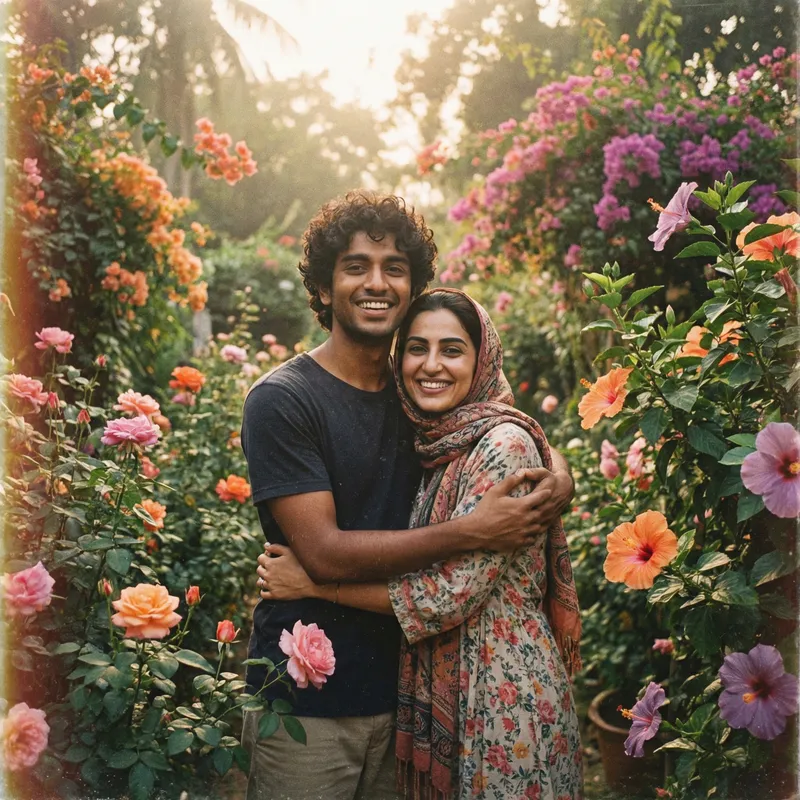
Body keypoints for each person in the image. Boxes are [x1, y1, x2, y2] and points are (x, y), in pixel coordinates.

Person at [240, 192, 575, 800]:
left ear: (414, 286)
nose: (377, 282)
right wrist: (474, 531)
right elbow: (324, 554)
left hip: (410, 696)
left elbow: (506, 429)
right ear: (322, 286)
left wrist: (560, 478)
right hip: (310, 702)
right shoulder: (285, 400)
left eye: (395, 267)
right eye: (355, 266)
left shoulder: (420, 399)